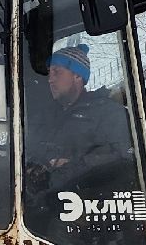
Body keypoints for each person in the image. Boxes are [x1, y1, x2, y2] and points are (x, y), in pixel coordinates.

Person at [24, 43, 132, 171]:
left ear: (78, 76)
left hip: (86, 187)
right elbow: (28, 149)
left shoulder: (107, 113)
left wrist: (73, 165)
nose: (50, 80)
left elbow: (120, 155)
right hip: (43, 188)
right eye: (49, 73)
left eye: (57, 72)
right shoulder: (45, 115)